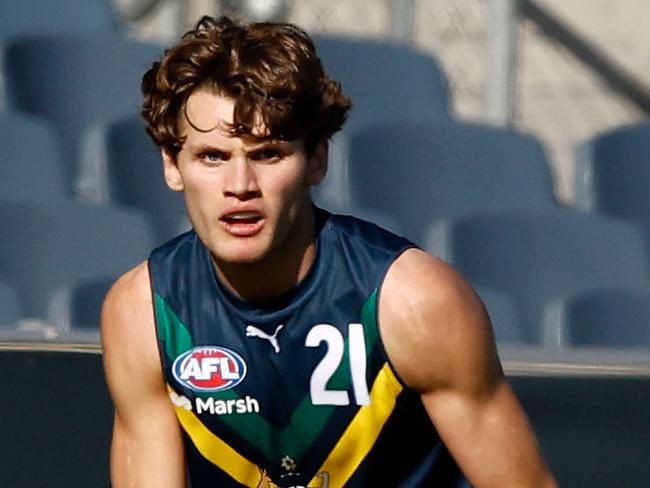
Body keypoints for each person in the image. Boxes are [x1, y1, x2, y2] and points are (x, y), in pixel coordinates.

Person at [101, 15, 557, 488]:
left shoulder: (412, 301)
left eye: (268, 154)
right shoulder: (143, 312)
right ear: (172, 166)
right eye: (212, 157)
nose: (240, 186)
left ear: (316, 160)